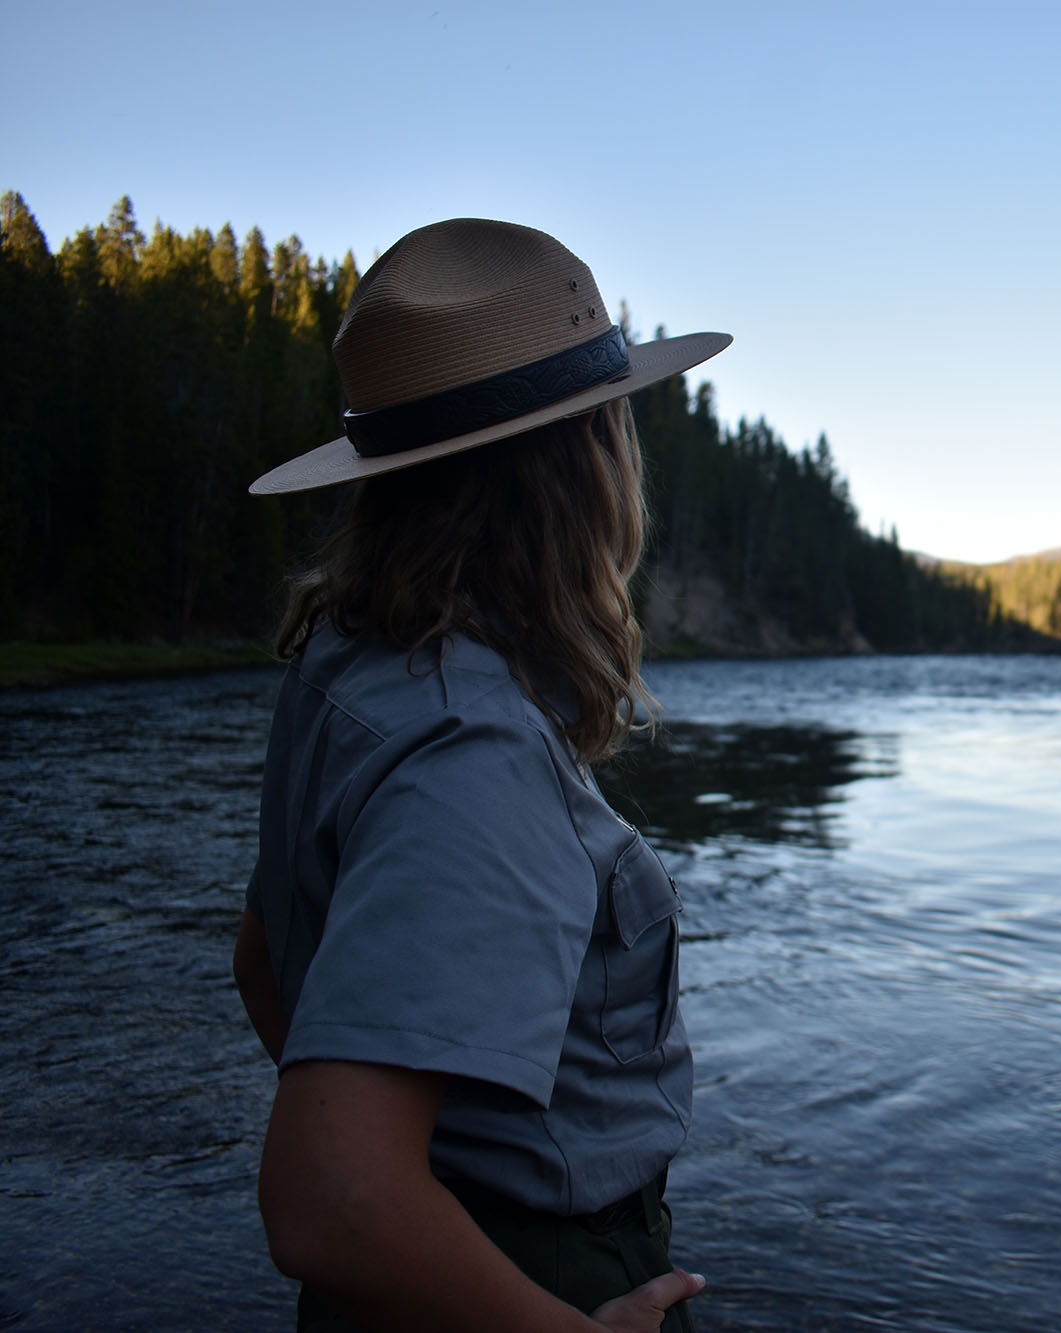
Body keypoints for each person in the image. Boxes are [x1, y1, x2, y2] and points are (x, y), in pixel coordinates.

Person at [231, 217, 731, 1332]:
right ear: (588, 454)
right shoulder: (477, 749)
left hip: (434, 1271)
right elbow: (326, 1200)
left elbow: (266, 960)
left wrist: (414, 1147)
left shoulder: (349, 662)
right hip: (522, 1281)